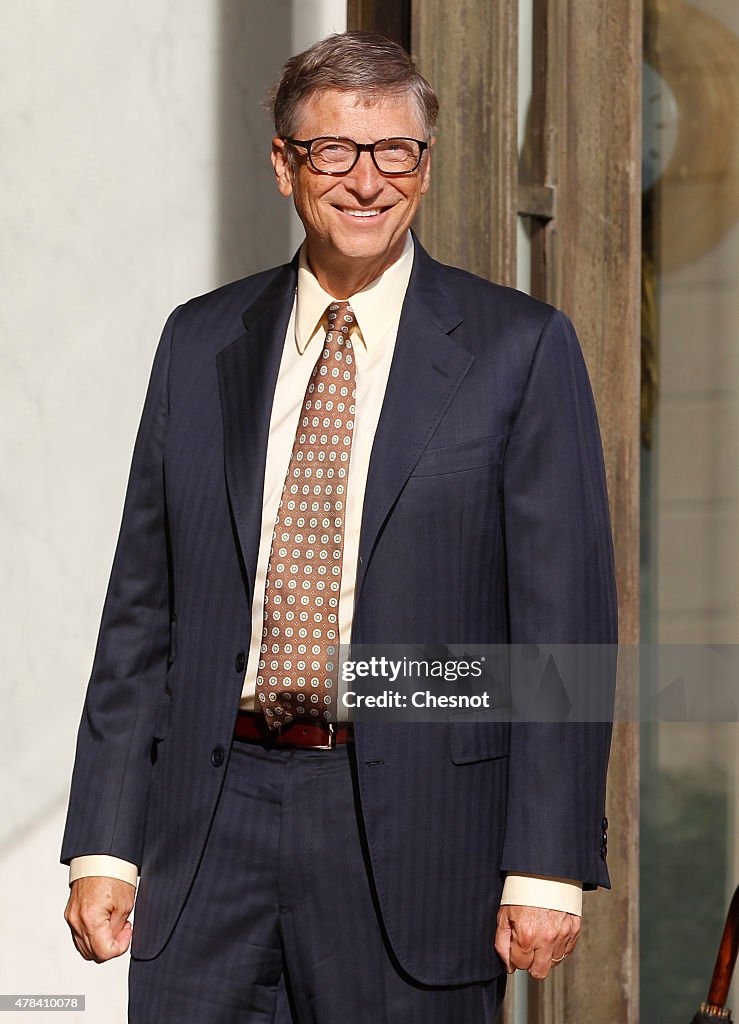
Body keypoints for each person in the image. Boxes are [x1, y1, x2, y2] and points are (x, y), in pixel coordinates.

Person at [62, 30, 617, 1024]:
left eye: (393, 151)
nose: (366, 181)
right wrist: (105, 841)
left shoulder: (518, 349)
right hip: (210, 827)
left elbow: (560, 627)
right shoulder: (199, 342)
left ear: (426, 166)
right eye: (334, 152)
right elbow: (140, 614)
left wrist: (545, 861)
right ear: (284, 165)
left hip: (414, 837)